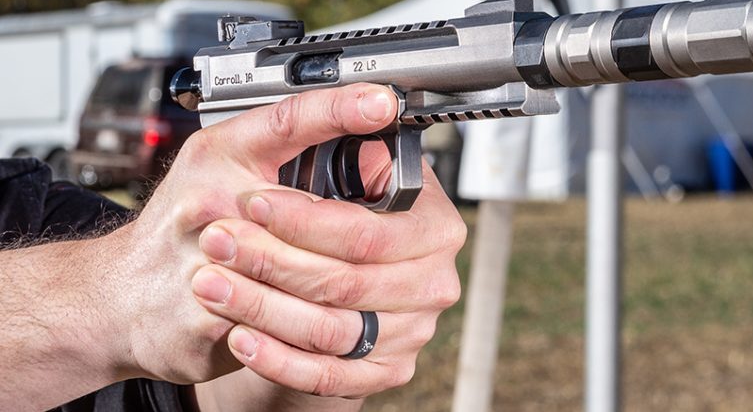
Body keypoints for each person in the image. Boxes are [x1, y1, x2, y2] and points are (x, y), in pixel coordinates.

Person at [0, 83, 467, 412]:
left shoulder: (36, 212)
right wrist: (116, 298)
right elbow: (145, 303)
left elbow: (211, 395)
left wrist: (326, 324)